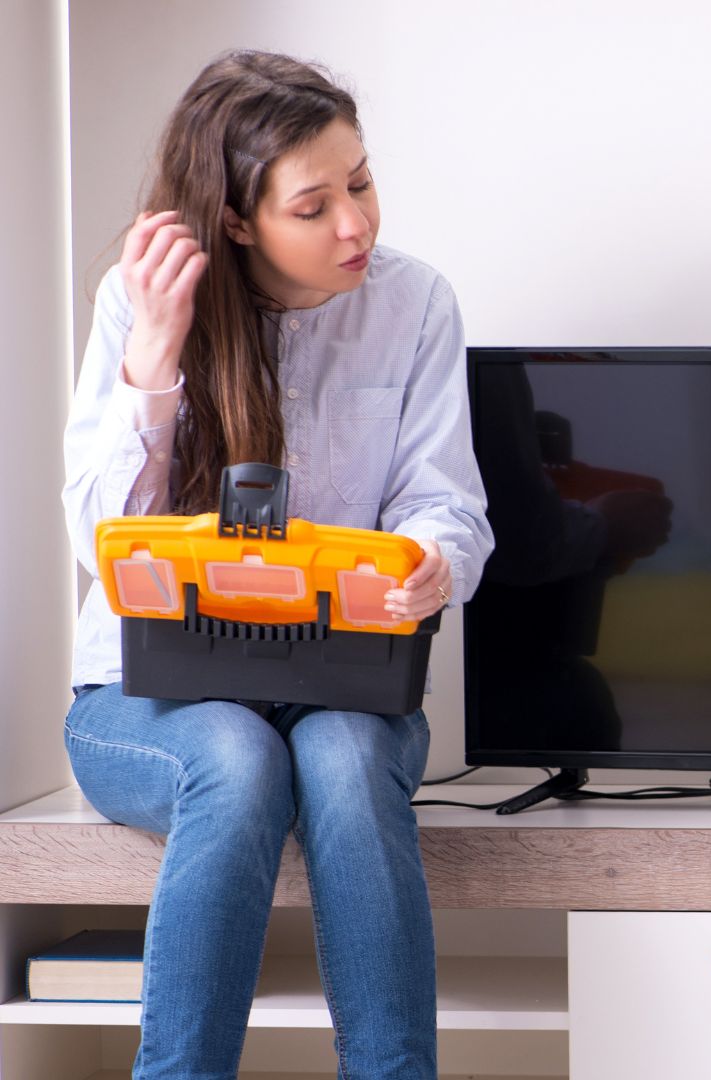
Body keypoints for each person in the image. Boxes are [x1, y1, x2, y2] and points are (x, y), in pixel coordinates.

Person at [61, 50, 492, 1079]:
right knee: (238, 760)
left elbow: (445, 502)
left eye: (362, 182)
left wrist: (434, 560)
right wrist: (154, 359)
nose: (356, 223)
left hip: (340, 681)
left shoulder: (416, 303)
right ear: (240, 219)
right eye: (315, 205)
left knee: (342, 763)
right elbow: (102, 543)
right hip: (145, 694)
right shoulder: (139, 299)